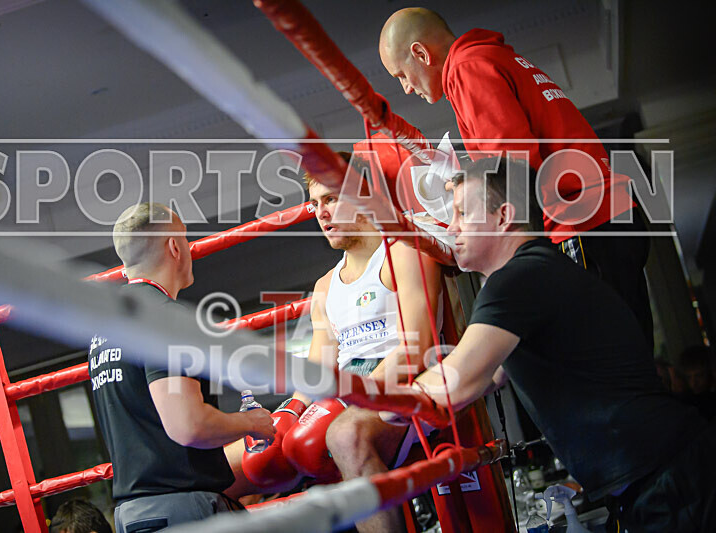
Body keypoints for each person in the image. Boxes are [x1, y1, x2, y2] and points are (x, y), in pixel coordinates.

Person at [412, 157, 714, 532]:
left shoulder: (516, 280)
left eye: (461, 213)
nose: (451, 227)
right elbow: (491, 376)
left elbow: (458, 385)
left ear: (504, 216)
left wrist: (374, 398)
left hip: (666, 476)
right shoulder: (540, 269)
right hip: (659, 472)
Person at [378, 8, 654, 349]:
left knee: (608, 363)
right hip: (604, 216)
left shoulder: (468, 68)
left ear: (420, 53)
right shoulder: (489, 57)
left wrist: (472, 213)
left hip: (581, 222)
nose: (405, 88)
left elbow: (513, 168)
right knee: (629, 356)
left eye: (401, 75)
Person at [88, 202, 276, 531]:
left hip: (136, 515)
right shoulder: (164, 317)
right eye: (185, 240)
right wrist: (251, 422)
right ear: (175, 246)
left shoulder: (106, 328)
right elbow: (187, 425)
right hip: (183, 512)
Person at [299, 153, 445, 533]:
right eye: (315, 204)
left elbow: (417, 348)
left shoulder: (404, 250)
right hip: (351, 396)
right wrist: (285, 417)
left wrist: (352, 397)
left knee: (344, 433)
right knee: (259, 458)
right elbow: (316, 373)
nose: (320, 213)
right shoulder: (324, 287)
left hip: (409, 392)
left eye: (330, 199)